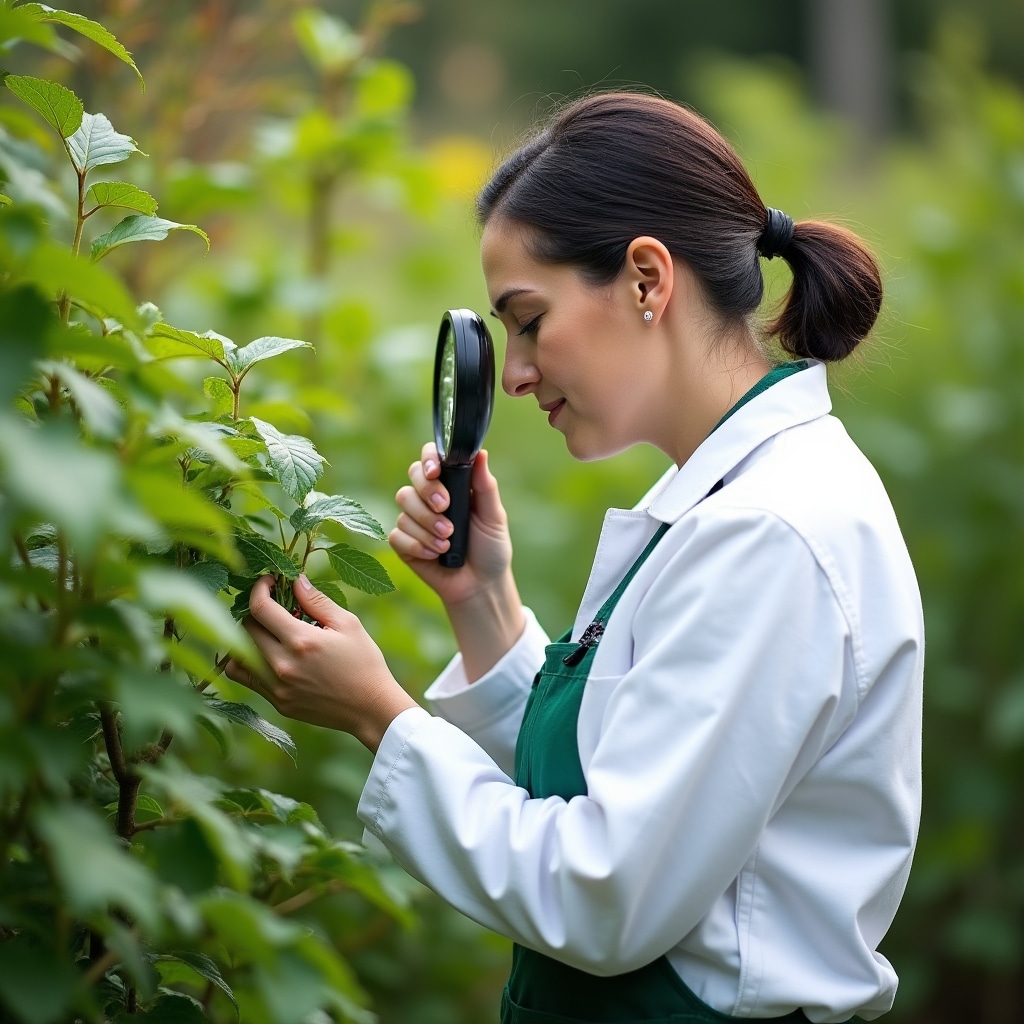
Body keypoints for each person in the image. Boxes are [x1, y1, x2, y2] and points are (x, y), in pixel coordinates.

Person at [228, 92, 924, 1024]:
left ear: (646, 280)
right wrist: (483, 602)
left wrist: (377, 716)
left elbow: (606, 895)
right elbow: (619, 780)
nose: (515, 374)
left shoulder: (768, 532)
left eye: (528, 320)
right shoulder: (723, 500)